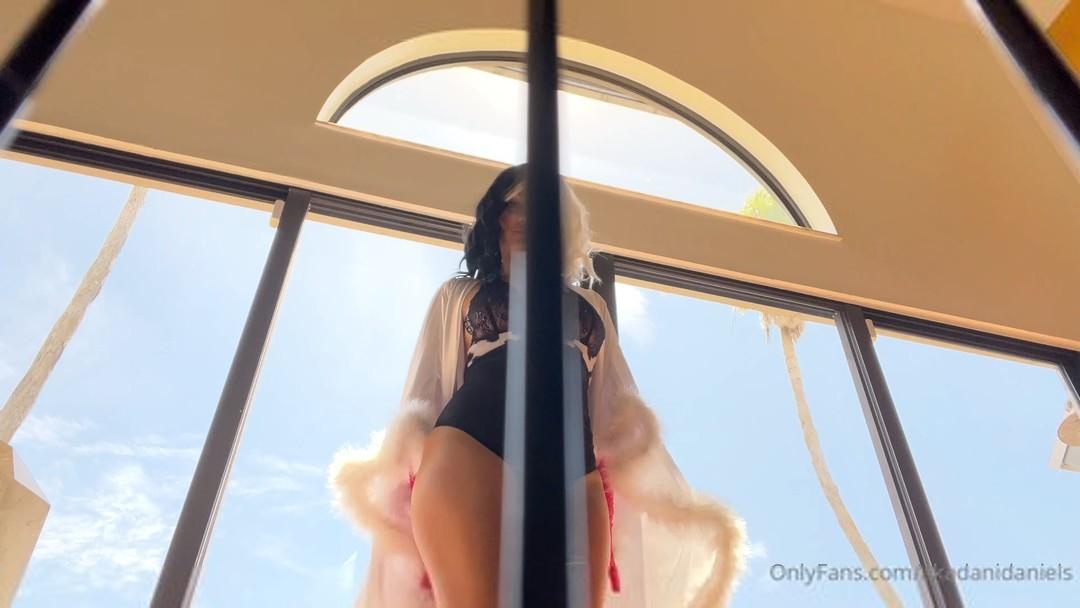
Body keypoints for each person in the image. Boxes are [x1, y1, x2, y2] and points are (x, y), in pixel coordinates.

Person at [328, 164, 748, 608]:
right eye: (515, 204)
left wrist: (661, 494)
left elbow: (615, 409)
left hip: (574, 474)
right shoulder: (460, 295)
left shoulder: (591, 306)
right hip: (471, 451)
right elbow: (424, 394)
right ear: (497, 217)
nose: (527, 216)